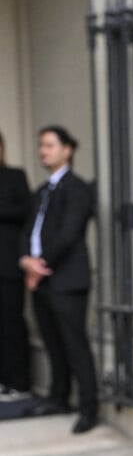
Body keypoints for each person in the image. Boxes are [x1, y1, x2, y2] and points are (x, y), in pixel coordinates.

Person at [19, 125, 99, 434]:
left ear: (67, 150)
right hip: (41, 279)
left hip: (66, 279)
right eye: (41, 146)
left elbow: (68, 234)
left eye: (50, 145)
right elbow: (27, 231)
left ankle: (89, 407)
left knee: (75, 343)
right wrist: (26, 260)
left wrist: (38, 265)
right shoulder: (41, 190)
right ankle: (58, 397)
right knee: (52, 341)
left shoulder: (77, 188)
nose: (43, 151)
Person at [0, 132, 32, 401]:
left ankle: (19, 381)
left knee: (11, 322)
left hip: (8, 265)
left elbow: (25, 212)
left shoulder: (15, 176)